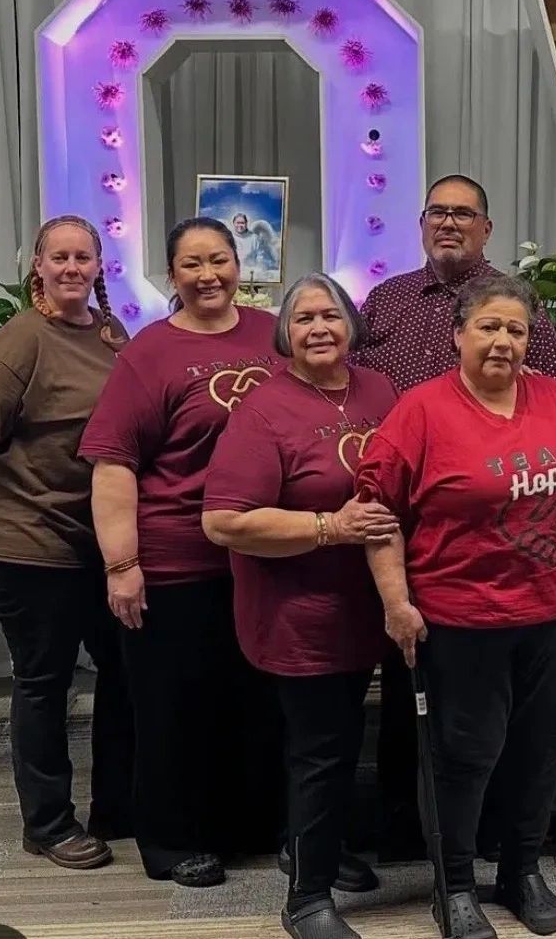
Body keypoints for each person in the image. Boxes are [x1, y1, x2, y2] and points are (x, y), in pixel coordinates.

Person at [357, 275, 556, 939]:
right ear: (458, 335)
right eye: (490, 327)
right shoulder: (420, 412)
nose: (504, 340)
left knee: (539, 749)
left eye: (517, 330)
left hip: (553, 613)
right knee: (464, 753)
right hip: (462, 618)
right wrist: (395, 601)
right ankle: (454, 882)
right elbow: (376, 511)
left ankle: (521, 868)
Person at [353, 174, 556, 862]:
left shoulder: (515, 307)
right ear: (420, 224)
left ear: (487, 227)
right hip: (398, 520)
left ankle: (490, 838)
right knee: (407, 683)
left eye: (464, 213)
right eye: (438, 212)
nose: (450, 223)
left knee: (492, 713)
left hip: (495, 531)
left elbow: (551, 409)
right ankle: (405, 828)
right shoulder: (384, 300)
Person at [79, 216, 286, 888]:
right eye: (191, 263)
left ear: (239, 265)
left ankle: (247, 825)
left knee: (252, 700)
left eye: (219, 260)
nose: (208, 275)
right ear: (172, 275)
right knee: (173, 707)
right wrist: (121, 564)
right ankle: (169, 839)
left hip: (262, 557)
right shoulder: (150, 353)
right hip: (176, 562)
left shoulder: (271, 334)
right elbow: (113, 464)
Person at [202, 273, 396, 939]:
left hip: (367, 606)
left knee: (340, 743)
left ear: (350, 326)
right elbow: (224, 521)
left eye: (331, 315)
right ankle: (306, 898)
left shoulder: (378, 390)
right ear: (285, 331)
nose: (319, 328)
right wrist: (328, 528)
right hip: (297, 614)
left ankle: (316, 847)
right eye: (305, 317)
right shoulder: (263, 410)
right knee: (321, 748)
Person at [0, 215, 131, 870]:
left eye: (84, 255)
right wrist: (29, 466)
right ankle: (47, 824)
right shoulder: (21, 339)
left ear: (99, 265)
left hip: (93, 538)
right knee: (45, 681)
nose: (73, 266)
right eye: (61, 257)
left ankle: (119, 802)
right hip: (23, 538)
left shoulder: (109, 334)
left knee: (124, 669)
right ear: (39, 270)